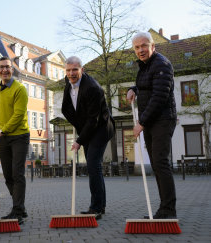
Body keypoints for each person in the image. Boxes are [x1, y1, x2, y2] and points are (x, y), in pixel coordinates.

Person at [126, 32, 177, 219]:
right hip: (151, 121)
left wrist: (141, 123)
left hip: (163, 119)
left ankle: (168, 210)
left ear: (153, 46)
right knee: (156, 163)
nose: (141, 50)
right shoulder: (145, 67)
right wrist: (134, 89)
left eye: (144, 46)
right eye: (137, 47)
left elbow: (159, 97)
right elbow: (147, 86)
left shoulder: (161, 64)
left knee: (160, 162)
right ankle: (165, 207)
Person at [62, 56, 115, 220]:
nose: (71, 73)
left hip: (101, 128)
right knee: (94, 166)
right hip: (87, 127)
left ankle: (96, 207)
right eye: (69, 70)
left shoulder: (93, 87)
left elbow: (94, 120)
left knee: (93, 164)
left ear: (81, 70)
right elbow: (66, 108)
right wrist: (77, 123)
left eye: (75, 70)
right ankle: (101, 206)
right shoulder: (68, 84)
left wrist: (79, 140)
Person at [0, 56, 30, 225]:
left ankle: (17, 211)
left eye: (7, 67)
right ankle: (19, 207)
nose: (4, 70)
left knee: (17, 173)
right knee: (7, 175)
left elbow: (19, 115)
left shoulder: (20, 89)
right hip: (4, 136)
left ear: (12, 69)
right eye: (1, 67)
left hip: (19, 135)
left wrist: (3, 130)